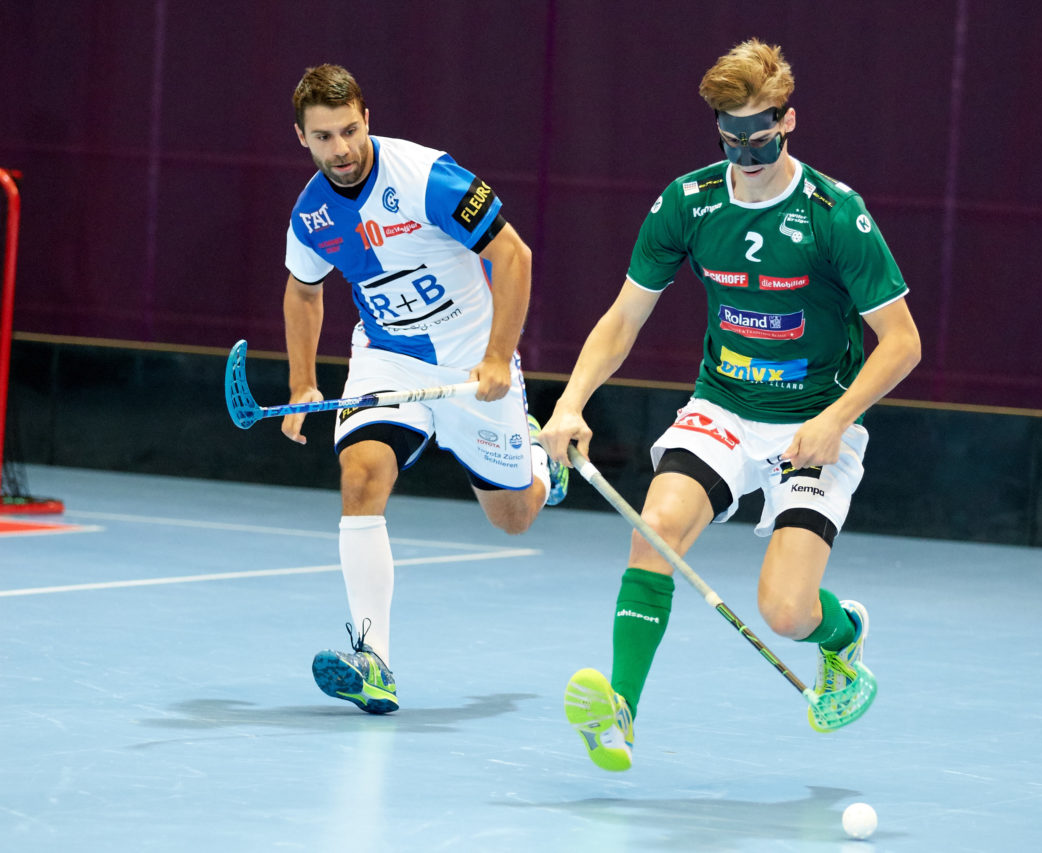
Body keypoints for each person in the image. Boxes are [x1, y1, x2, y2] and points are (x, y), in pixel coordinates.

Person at [539, 39, 921, 771]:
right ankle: (619, 712)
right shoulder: (688, 202)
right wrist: (571, 402)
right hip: (723, 405)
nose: (747, 149)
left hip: (813, 422)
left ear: (789, 120)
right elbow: (623, 318)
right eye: (731, 133)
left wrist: (836, 419)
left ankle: (840, 638)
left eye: (761, 131)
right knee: (654, 528)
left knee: (784, 609)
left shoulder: (835, 214)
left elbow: (901, 343)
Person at [281, 64, 568, 714]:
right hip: (389, 359)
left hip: (472, 360)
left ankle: (541, 466)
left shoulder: (429, 177)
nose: (342, 149)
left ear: (367, 119)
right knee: (360, 476)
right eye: (324, 137)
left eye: (349, 130)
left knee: (514, 517)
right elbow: (303, 292)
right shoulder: (312, 214)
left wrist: (498, 358)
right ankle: (373, 661)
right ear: (302, 138)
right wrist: (303, 380)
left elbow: (513, 255)